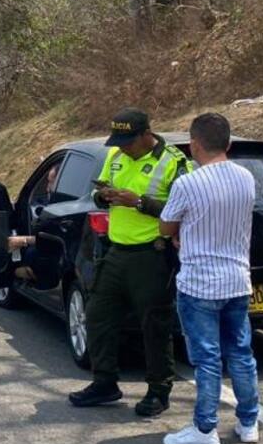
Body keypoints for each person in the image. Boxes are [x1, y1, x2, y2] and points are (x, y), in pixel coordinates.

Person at [68, 108, 192, 416]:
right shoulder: (116, 156)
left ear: (146, 134)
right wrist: (104, 196)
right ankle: (104, 383)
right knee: (98, 316)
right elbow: (98, 193)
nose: (122, 147)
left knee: (154, 325)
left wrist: (138, 202)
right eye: (118, 141)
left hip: (152, 253)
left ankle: (158, 391)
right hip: (116, 251)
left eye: (127, 141)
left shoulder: (174, 162)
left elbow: (186, 209)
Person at [159, 112, 260, 444]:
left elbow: (166, 226)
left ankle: (205, 429)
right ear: (228, 143)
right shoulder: (246, 178)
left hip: (199, 283)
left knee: (207, 359)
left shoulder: (187, 184)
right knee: (241, 354)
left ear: (193, 145)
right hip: (238, 280)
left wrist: (182, 234)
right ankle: (248, 422)